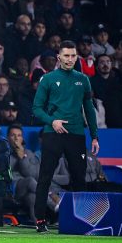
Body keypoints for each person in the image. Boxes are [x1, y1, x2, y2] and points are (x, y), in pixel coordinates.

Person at [32, 40, 99, 233]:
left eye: (73, 56)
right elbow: (36, 108)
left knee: (79, 178)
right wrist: (52, 121)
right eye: (66, 55)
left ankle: (81, 220)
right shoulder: (49, 79)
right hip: (53, 133)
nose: (70, 59)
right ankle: (40, 220)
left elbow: (89, 108)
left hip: (77, 134)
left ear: (76, 57)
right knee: (45, 176)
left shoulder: (83, 79)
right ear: (59, 57)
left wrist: (94, 136)